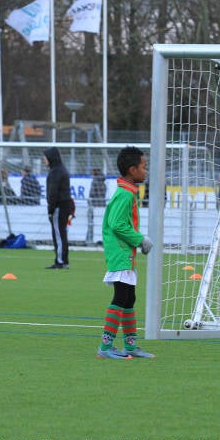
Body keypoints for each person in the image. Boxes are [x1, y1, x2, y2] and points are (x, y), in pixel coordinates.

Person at [96, 146, 155, 359]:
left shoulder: (127, 191)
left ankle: (130, 346)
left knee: (129, 298)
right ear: (132, 170)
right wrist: (140, 240)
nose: (146, 171)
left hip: (125, 254)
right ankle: (105, 347)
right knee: (121, 297)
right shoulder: (124, 194)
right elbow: (117, 224)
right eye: (143, 167)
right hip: (120, 254)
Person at [43, 147, 73, 269]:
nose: (44, 160)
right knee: (61, 233)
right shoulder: (61, 169)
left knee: (59, 234)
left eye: (45, 158)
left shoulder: (55, 172)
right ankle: (63, 260)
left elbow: (52, 192)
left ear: (51, 158)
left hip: (59, 206)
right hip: (64, 205)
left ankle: (60, 261)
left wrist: (50, 210)